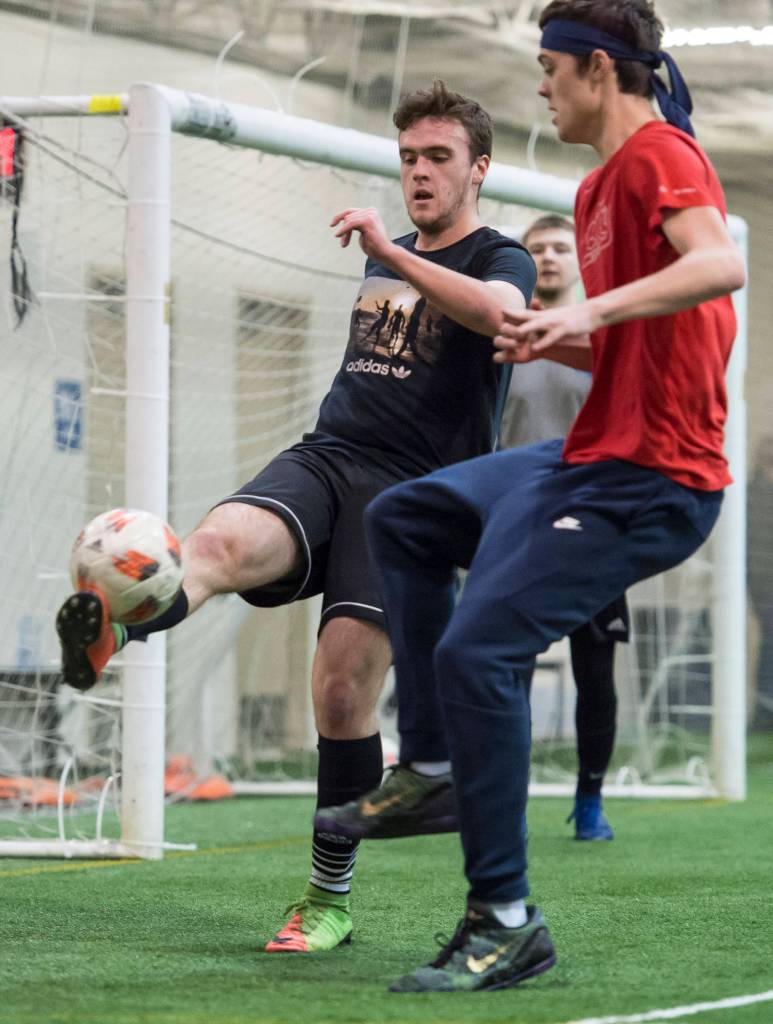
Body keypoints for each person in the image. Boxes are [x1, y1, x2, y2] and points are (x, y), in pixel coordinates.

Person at [316, 0, 744, 994]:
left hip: (656, 477)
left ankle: (503, 920)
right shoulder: (594, 190)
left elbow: (717, 265)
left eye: (549, 69)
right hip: (591, 453)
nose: (541, 87)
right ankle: (426, 767)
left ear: (597, 71)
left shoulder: (655, 156)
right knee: (406, 514)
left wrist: (579, 309)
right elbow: (646, 337)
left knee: (478, 648)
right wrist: (571, 337)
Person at [55, 82, 536, 954]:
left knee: (341, 686)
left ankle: (327, 899)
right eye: (409, 158)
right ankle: (114, 634)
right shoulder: (381, 258)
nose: (419, 172)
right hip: (327, 455)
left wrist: (396, 250)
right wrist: (388, 253)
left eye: (437, 158)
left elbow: (502, 319)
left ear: (479, 169)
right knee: (214, 545)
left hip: (416, 499)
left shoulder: (502, 257)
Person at [499, 213, 628, 841]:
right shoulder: (502, 341)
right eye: (537, 249)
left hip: (594, 521)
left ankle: (590, 798)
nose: (548, 258)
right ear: (524, 261)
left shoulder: (603, 338)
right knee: (508, 664)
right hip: (517, 520)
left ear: (578, 260)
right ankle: (508, 797)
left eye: (559, 248)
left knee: (595, 666)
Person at [747, 435, 773, 730]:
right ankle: (764, 716)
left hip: (760, 588)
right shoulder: (754, 495)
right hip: (765, 589)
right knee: (768, 650)